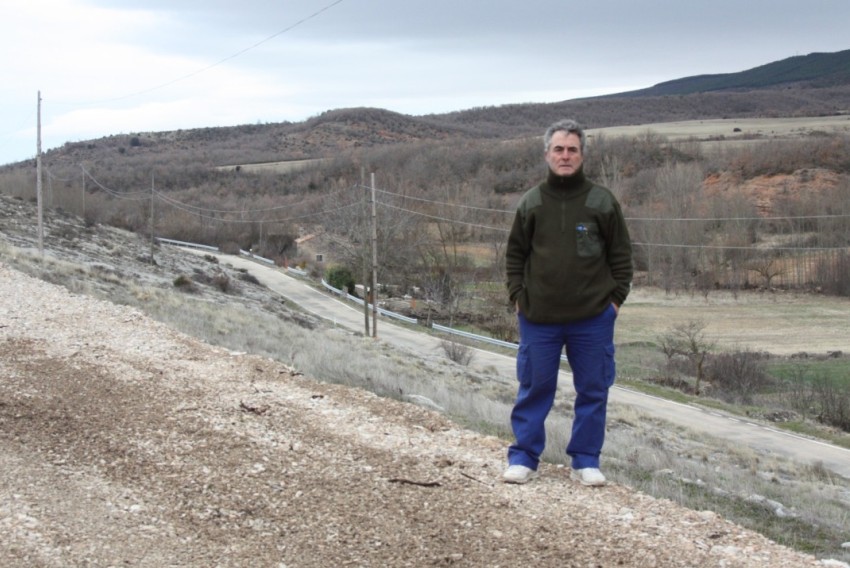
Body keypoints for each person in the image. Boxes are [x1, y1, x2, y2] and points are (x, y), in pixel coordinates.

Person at [503, 118, 633, 486]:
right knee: (534, 387)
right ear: (547, 154)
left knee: (593, 389)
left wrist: (614, 302)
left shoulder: (602, 201)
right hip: (539, 317)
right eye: (558, 149)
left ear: (582, 155)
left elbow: (622, 259)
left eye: (572, 149)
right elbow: (515, 257)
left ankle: (585, 460)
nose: (565, 155)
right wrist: (518, 298)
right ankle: (524, 457)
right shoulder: (532, 203)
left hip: (592, 318)